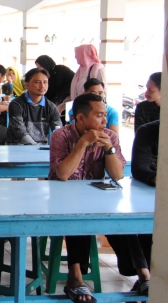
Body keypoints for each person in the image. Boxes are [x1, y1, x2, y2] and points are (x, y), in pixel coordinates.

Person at [48, 93, 125, 302]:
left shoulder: (109, 136)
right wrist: (82, 143)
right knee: (77, 214)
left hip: (96, 198)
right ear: (81, 118)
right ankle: (75, 276)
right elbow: (63, 175)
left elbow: (117, 175)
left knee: (123, 219)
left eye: (105, 115)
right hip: (62, 199)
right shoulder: (61, 136)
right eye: (99, 116)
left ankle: (142, 274)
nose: (105, 121)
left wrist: (109, 148)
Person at [106, 120, 157, 298]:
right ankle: (144, 275)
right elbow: (139, 168)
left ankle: (146, 278)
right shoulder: (148, 131)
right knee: (123, 216)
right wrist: (157, 178)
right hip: (150, 196)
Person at [6, 68, 62, 145]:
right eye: (37, 82)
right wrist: (35, 147)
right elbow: (20, 131)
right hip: (18, 147)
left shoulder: (51, 107)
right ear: (27, 85)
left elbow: (58, 131)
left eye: (45, 82)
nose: (42, 86)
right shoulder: (16, 104)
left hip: (41, 148)